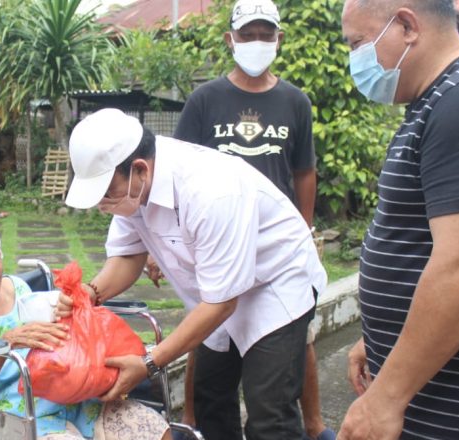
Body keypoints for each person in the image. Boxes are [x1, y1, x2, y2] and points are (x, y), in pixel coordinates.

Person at [338, 1, 459, 439]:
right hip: (438, 388)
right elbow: (421, 241)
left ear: (407, 25)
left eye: (358, 43)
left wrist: (387, 396)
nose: (355, 60)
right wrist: (381, 336)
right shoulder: (443, 97)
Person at [64, 108, 327, 440]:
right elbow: (129, 254)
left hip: (274, 283)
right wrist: (91, 291)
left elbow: (222, 303)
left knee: (269, 412)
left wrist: (149, 362)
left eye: (106, 195)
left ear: (139, 169)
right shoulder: (132, 188)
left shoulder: (210, 190)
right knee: (209, 400)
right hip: (217, 292)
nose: (104, 205)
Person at [160, 1, 331, 439]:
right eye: (248, 33)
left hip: (274, 254)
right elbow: (177, 170)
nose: (257, 42)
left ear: (279, 39)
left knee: (279, 375)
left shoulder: (294, 101)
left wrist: (305, 230)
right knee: (211, 343)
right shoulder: (205, 101)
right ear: (229, 39)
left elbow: (304, 171)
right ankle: (196, 422)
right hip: (217, 245)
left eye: (265, 34)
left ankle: (313, 426)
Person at [0, 222, 172, 440]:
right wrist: (4, 344)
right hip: (15, 418)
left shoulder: (18, 287)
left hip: (75, 398)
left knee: (151, 427)